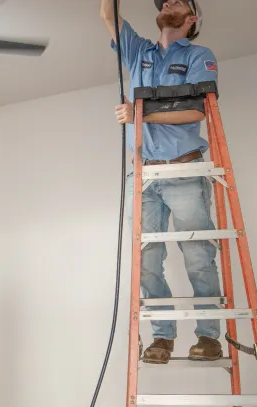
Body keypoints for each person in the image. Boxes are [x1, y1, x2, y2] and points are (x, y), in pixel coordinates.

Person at [100, 0, 223, 364]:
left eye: (178, 0)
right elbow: (108, 15)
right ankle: (162, 337)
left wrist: (140, 113)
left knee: (198, 256)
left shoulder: (200, 55)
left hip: (183, 169)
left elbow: (199, 109)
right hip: (143, 173)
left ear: (192, 18)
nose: (167, 1)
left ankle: (208, 336)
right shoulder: (139, 52)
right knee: (147, 259)